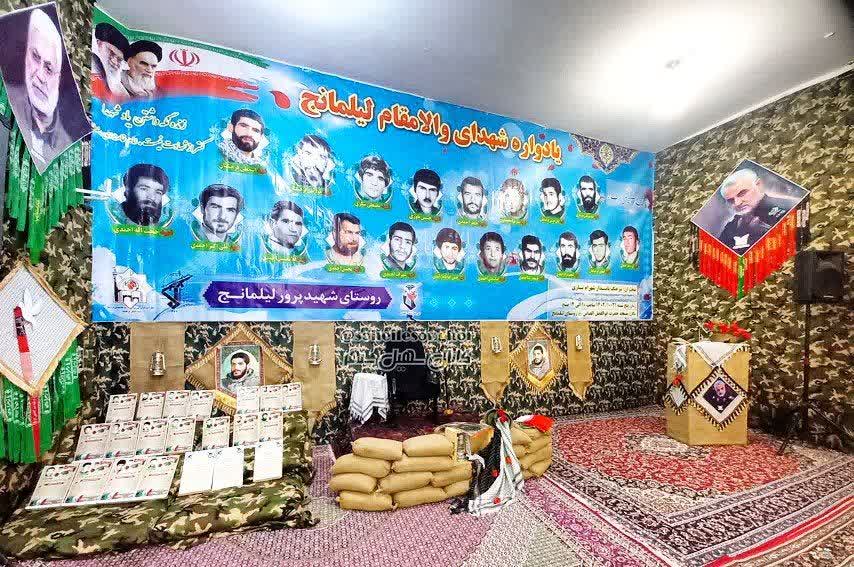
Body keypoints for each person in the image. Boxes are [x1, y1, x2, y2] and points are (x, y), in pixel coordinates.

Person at [5, 8, 73, 170]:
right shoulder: (7, 105)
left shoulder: (67, 144)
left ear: (59, 79)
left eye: (49, 68)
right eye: (35, 57)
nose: (40, 76)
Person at [717, 168, 796, 252]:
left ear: (758, 184)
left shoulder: (788, 206)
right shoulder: (732, 225)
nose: (737, 203)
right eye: (730, 200)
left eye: (742, 193)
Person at [91, 22, 129, 96]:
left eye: (119, 59)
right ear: (99, 44)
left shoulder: (120, 87)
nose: (115, 62)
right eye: (112, 53)